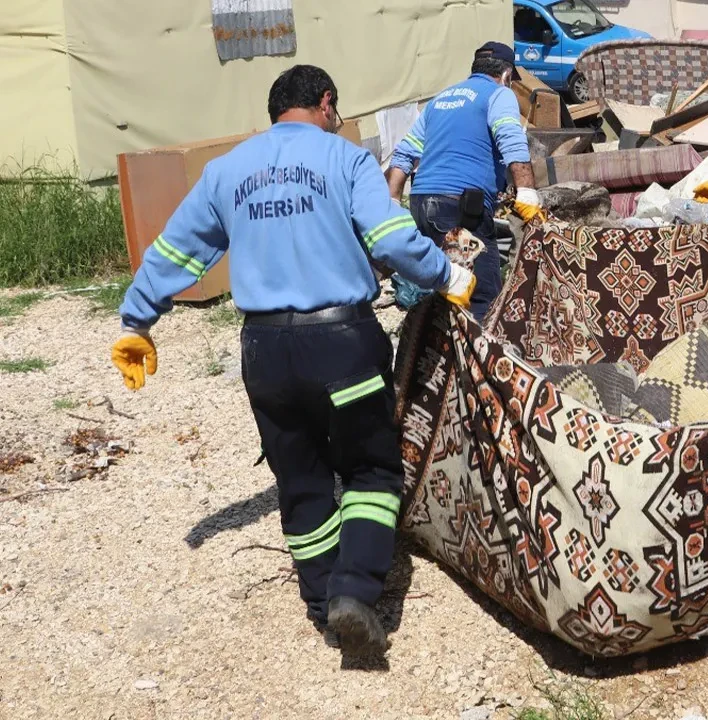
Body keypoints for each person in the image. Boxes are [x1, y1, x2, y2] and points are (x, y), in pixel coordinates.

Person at [110, 65, 475, 658]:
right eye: (337, 108)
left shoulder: (225, 171)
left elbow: (176, 251)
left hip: (266, 354)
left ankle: (321, 601)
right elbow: (387, 237)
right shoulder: (345, 159)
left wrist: (136, 320)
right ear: (326, 103)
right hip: (343, 346)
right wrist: (446, 273)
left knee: (301, 479)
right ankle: (355, 592)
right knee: (370, 472)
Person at [386, 42, 542, 322]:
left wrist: (393, 200)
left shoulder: (440, 99)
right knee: (482, 291)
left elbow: (406, 152)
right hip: (460, 208)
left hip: (423, 205)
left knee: (450, 283)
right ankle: (477, 360)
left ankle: (444, 350)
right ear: (506, 75)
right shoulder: (498, 94)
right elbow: (511, 139)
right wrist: (527, 192)